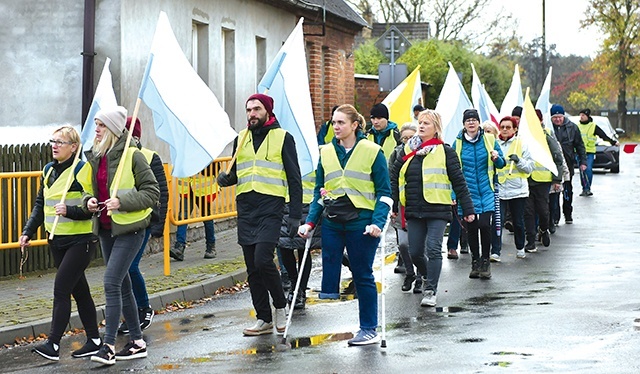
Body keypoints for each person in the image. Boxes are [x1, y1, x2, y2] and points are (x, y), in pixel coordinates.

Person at [299, 104, 392, 346]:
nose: (336, 127)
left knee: (363, 274)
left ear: (354, 125)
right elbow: (318, 192)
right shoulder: (326, 152)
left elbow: (384, 193)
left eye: (341, 122)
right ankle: (330, 292)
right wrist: (310, 222)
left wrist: (377, 223)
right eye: (333, 122)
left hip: (361, 221)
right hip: (332, 220)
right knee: (330, 263)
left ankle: (369, 329)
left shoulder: (373, 151)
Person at [217, 93, 302, 336]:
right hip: (246, 208)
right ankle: (263, 318)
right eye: (249, 110)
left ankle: (280, 305)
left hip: (271, 208)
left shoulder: (283, 137)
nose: (252, 114)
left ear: (267, 111)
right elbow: (236, 173)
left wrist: (295, 215)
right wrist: (224, 179)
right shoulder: (241, 138)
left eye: (257, 109)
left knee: (263, 260)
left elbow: (294, 179)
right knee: (252, 268)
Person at [85, 107, 160, 365]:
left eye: (101, 125)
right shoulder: (96, 157)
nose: (96, 129)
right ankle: (138, 342)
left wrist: (122, 201)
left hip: (131, 228)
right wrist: (90, 201)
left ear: (113, 130)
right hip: (106, 229)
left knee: (111, 281)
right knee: (123, 284)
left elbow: (152, 193)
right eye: (96, 124)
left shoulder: (134, 155)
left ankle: (107, 346)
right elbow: (87, 190)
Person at [20, 125, 101, 361]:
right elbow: (40, 204)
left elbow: (90, 207)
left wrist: (70, 210)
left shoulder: (81, 169)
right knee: (81, 292)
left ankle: (53, 344)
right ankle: (95, 340)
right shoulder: (48, 170)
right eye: (53, 141)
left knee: (61, 289)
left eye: (60, 142)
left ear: (73, 147)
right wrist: (28, 231)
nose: (54, 146)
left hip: (81, 240)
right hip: (56, 240)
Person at [390, 110, 474, 307]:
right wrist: (395, 203)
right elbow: (394, 176)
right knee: (415, 252)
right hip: (413, 208)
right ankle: (429, 276)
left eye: (426, 123)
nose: (421, 126)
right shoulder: (407, 151)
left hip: (438, 208)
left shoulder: (445, 151)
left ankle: (431, 289)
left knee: (434, 248)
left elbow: (459, 183)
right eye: (420, 122)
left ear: (436, 128)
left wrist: (468, 209)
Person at [117, 117, 168, 335]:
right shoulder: (112, 157)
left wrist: (159, 225)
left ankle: (144, 309)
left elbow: (162, 193)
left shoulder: (148, 156)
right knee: (118, 271)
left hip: (144, 221)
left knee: (130, 266)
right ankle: (130, 315)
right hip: (119, 222)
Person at [453, 109, 506, 279]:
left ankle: (485, 260)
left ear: (478, 122)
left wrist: (497, 158)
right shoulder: (458, 143)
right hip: (467, 194)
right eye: (468, 120)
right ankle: (475, 261)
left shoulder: (489, 140)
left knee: (485, 225)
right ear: (464, 124)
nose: (471, 122)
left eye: (474, 119)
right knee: (472, 227)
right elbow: (453, 170)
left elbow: (502, 164)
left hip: (486, 191)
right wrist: (453, 194)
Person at [277, 171, 322, 310]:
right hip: (285, 203)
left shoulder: (312, 155)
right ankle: (294, 284)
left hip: (307, 203)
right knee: (284, 246)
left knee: (304, 249)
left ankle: (300, 290)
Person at [524, 109, 564, 250]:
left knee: (542, 210)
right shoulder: (522, 136)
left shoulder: (546, 135)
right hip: (526, 179)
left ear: (540, 120)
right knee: (528, 211)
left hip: (543, 180)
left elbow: (557, 157)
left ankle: (543, 229)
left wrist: (557, 178)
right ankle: (530, 240)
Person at [388, 122, 421, 292]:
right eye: (405, 138)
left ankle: (421, 276)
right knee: (403, 244)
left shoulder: (425, 153)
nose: (408, 141)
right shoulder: (397, 154)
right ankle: (410, 272)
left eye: (411, 137)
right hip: (402, 205)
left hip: (421, 204)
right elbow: (391, 178)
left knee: (420, 247)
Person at [496, 116, 534, 259]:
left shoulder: (521, 144)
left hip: (517, 190)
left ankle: (520, 247)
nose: (505, 130)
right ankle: (495, 250)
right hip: (499, 189)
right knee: (497, 222)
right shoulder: (495, 144)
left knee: (518, 222)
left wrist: (518, 161)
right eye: (502, 127)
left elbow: (529, 168)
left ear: (515, 129)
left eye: (508, 127)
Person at [171, 166, 218, 261]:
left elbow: (215, 169)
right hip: (187, 188)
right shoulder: (183, 152)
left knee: (206, 217)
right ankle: (179, 247)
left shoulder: (204, 153)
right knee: (183, 217)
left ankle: (211, 246)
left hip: (202, 189)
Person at [550, 104, 587, 224]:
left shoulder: (572, 127)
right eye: (555, 117)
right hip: (553, 164)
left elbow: (580, 146)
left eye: (559, 117)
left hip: (568, 163)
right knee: (554, 192)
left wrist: (583, 161)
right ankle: (555, 216)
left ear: (563, 116)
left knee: (567, 189)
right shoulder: (549, 129)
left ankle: (568, 213)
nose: (557, 119)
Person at [577, 108, 619, 196]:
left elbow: (603, 136)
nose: (581, 117)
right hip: (579, 152)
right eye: (580, 115)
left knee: (588, 169)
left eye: (583, 115)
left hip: (589, 152)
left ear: (587, 116)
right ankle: (584, 188)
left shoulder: (593, 126)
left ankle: (587, 188)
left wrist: (613, 142)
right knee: (582, 171)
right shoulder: (577, 126)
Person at [481, 121, 503, 262]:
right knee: (481, 222)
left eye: (490, 131)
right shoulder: (477, 146)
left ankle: (495, 250)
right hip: (478, 189)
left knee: (496, 220)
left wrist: (496, 158)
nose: (487, 134)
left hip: (493, 187)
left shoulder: (495, 146)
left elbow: (501, 164)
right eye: (484, 131)